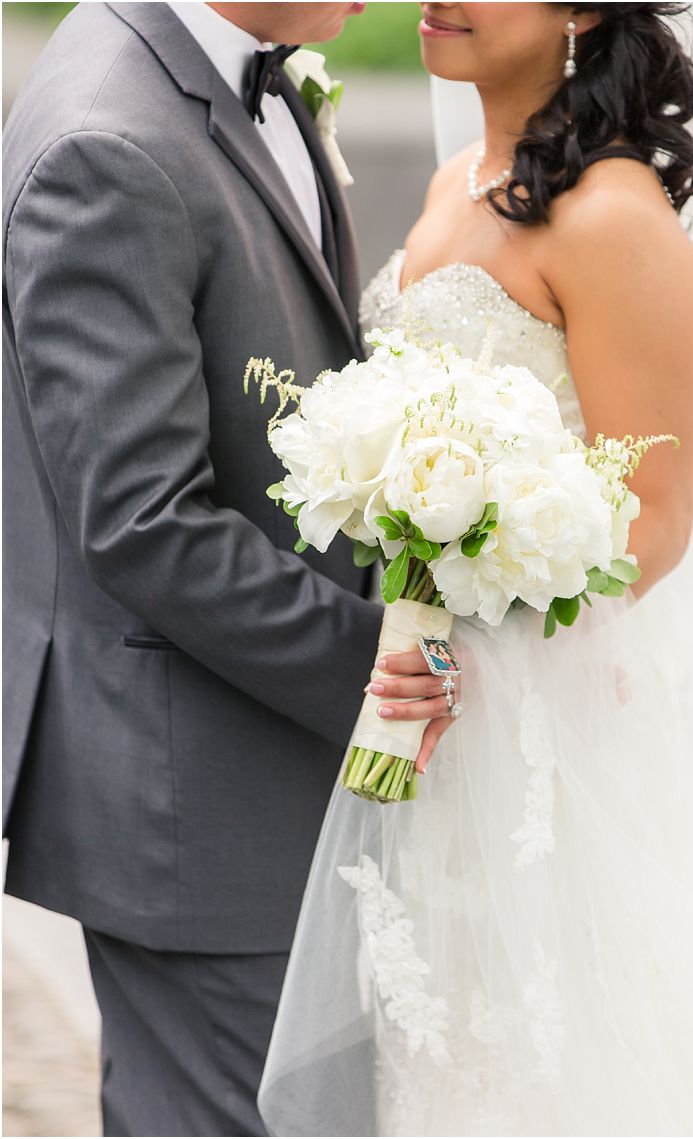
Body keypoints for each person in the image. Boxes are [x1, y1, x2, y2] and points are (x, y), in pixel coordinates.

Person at [257, 5, 693, 1134]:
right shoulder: (449, 183)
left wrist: (482, 623)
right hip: (419, 716)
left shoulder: (616, 219)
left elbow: (657, 519)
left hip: (530, 734)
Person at [1, 4, 457, 1134]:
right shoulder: (109, 142)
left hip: (264, 762)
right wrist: (381, 661)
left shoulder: (233, 76)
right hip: (195, 798)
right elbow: (145, 521)